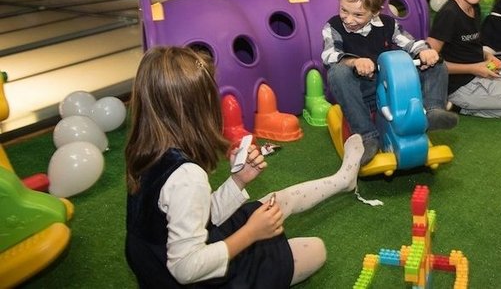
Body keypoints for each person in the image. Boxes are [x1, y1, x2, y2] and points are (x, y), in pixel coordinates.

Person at [125, 46, 365, 287]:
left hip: (165, 264)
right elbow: (186, 268)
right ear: (195, 108)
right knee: (315, 250)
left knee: (277, 201)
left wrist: (237, 181)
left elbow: (192, 215)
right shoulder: (187, 176)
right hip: (194, 277)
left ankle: (343, 180)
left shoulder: (145, 151)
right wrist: (251, 233)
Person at [321, 0, 457, 166]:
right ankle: (367, 135)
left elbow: (410, 43)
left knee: (436, 63)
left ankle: (433, 110)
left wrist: (424, 51)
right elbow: (329, 56)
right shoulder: (333, 26)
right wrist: (354, 62)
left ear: (375, 11)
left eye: (358, 14)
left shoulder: (388, 24)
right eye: (344, 10)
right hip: (361, 91)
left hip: (390, 87)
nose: (348, 19)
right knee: (337, 72)